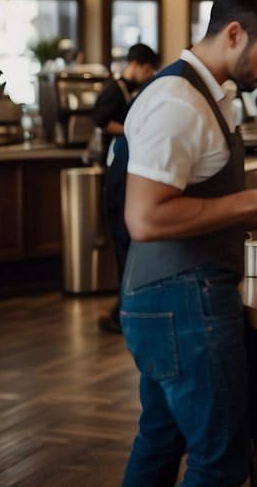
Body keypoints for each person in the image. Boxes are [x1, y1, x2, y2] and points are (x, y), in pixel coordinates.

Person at [114, 0, 257, 487]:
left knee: (160, 440)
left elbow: (191, 201)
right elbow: (145, 218)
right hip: (185, 299)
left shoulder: (204, 93)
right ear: (234, 33)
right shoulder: (179, 102)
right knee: (220, 461)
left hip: (162, 296)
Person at [92, 42, 160, 334]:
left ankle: (125, 308)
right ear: (136, 64)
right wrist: (135, 129)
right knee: (122, 240)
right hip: (116, 168)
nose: (150, 73)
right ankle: (124, 310)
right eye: (148, 68)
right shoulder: (114, 89)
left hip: (123, 166)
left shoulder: (133, 90)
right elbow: (100, 121)